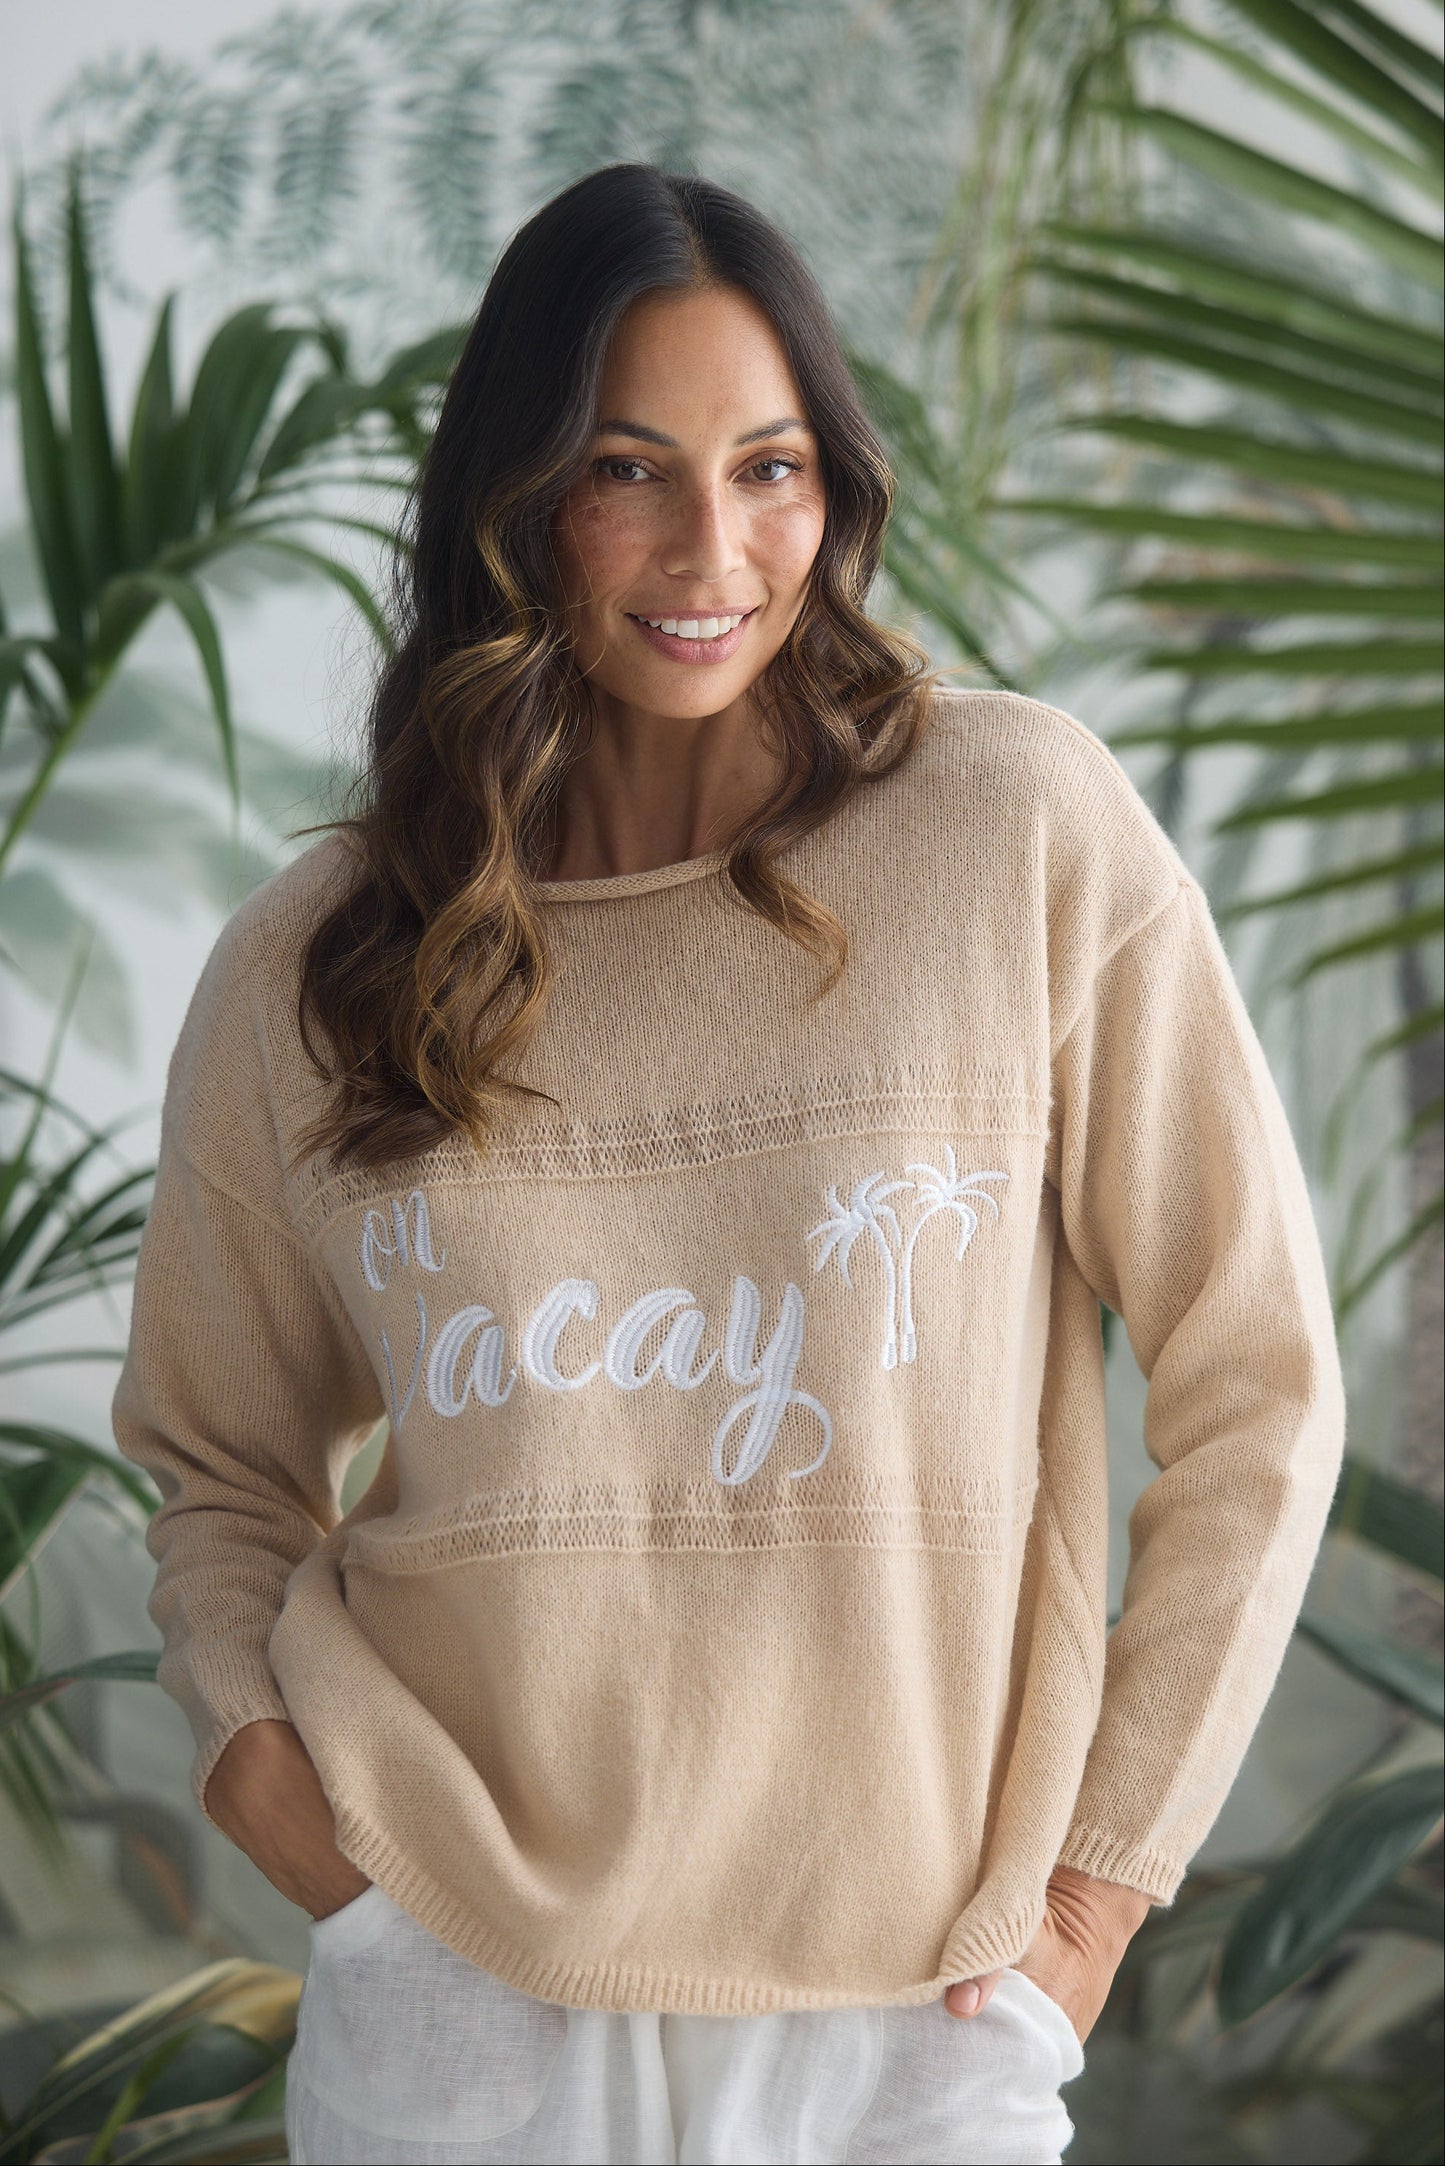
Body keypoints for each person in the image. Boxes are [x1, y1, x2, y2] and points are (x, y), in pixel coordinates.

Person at [112, 162, 1347, 2166]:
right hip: (453, 1987)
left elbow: (1257, 1381)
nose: (715, 547)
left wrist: (1100, 1891)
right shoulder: (331, 954)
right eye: (629, 469)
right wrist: (268, 1768)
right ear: (517, 505)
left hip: (915, 2007)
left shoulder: (1017, 831)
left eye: (770, 468)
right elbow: (218, 1456)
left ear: (834, 491)